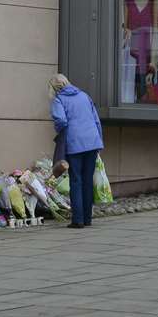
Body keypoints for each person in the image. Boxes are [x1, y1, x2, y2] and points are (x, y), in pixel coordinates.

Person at [50, 74, 104, 228]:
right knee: (87, 181)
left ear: (55, 88)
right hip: (92, 142)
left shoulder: (58, 99)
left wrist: (59, 131)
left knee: (76, 180)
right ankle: (87, 219)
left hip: (75, 144)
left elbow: (60, 120)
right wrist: (99, 142)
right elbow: (96, 120)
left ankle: (78, 220)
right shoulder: (84, 95)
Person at [122, 0, 154, 103]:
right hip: (130, 62)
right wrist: (125, 29)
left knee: (144, 101)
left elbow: (156, 34)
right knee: (128, 100)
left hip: (146, 64)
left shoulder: (153, 0)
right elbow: (123, 27)